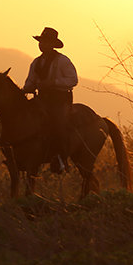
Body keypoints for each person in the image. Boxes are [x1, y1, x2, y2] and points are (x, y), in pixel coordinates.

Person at [22, 27, 78, 174]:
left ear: (52, 44)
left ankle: (60, 159)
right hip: (42, 99)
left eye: (45, 42)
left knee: (58, 123)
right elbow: (29, 82)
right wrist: (25, 89)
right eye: (41, 41)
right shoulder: (36, 63)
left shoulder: (62, 60)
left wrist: (53, 82)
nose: (41, 44)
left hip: (59, 101)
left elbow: (73, 80)